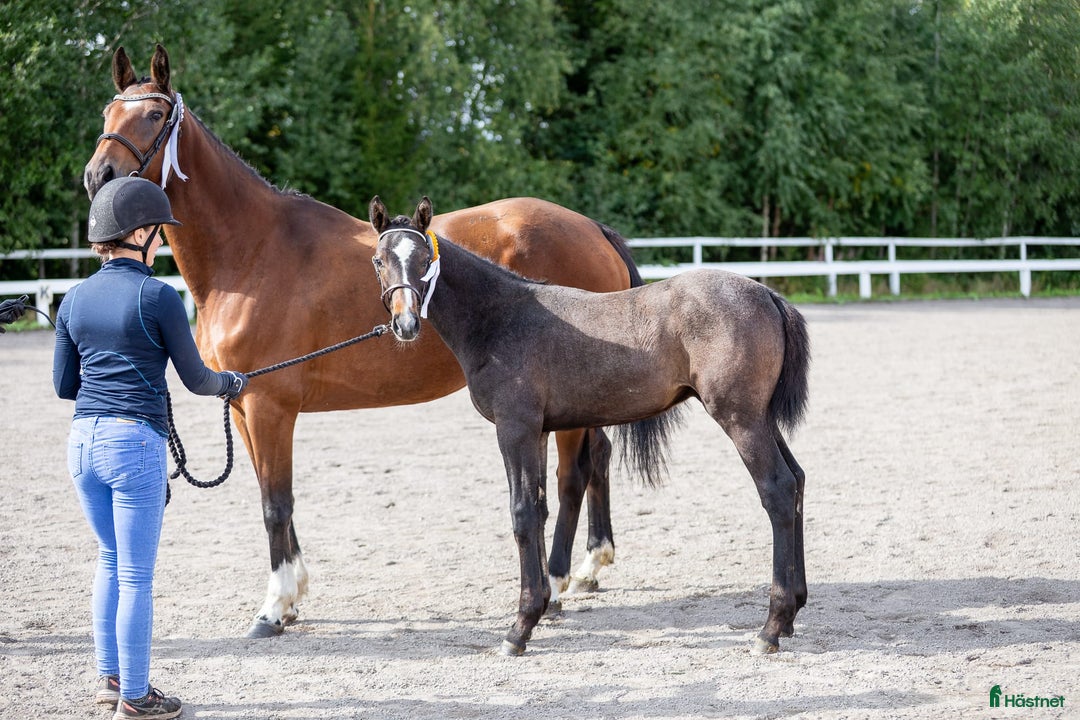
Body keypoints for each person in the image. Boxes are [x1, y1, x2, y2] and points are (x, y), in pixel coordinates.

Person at [53, 176, 248, 719]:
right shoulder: (157, 296)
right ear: (137, 233)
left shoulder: (73, 299)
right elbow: (197, 379)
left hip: (82, 445)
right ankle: (137, 698)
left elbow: (64, 387)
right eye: (158, 232)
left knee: (109, 559)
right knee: (136, 573)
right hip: (132, 444)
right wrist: (232, 382)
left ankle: (109, 680)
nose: (161, 241)